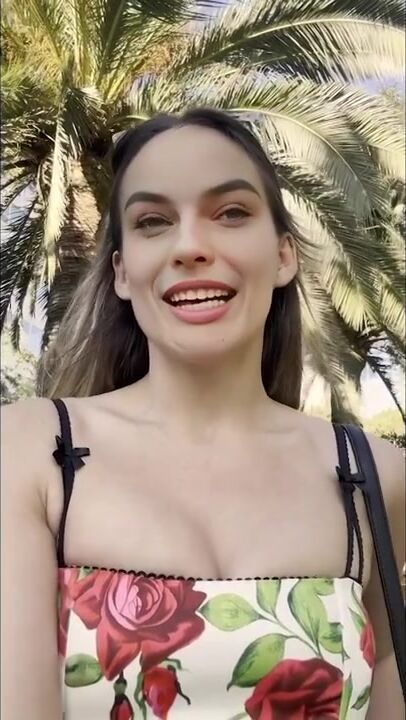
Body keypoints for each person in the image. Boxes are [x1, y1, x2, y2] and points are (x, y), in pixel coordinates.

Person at [1, 107, 404, 720]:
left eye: (232, 213)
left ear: (284, 256)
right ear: (122, 273)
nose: (190, 246)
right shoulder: (31, 453)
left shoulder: (375, 477)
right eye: (153, 222)